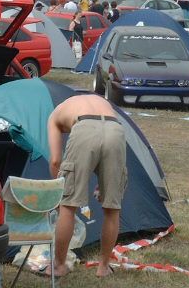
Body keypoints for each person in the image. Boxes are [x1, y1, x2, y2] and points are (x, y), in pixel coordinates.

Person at [47, 95, 127, 278]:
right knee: (112, 207)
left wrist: (60, 191)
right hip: (116, 128)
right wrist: (102, 183)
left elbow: (55, 161)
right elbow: (103, 139)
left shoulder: (54, 115)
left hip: (83, 128)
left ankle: (59, 266)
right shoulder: (98, 101)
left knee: (68, 206)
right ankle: (103, 267)